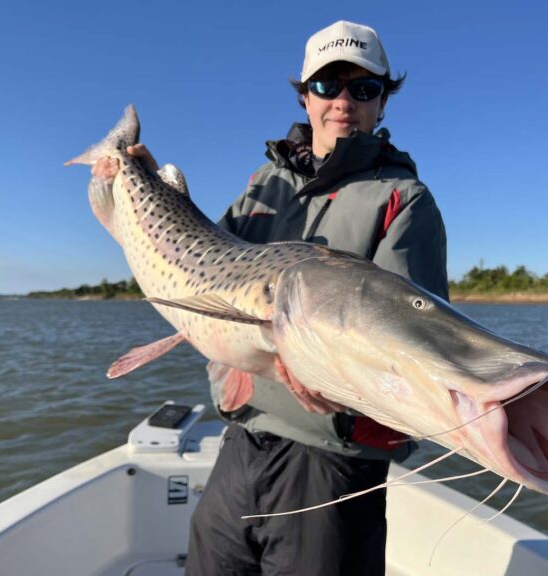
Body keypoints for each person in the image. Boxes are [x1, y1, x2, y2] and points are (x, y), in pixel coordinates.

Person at [96, 20, 448, 576]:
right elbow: (198, 260)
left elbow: (403, 341)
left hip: (330, 464)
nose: (343, 103)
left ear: (383, 102)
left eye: (363, 89)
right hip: (242, 441)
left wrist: (321, 369)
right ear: (306, 96)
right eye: (329, 86)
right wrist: (124, 187)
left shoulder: (403, 200)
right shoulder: (265, 180)